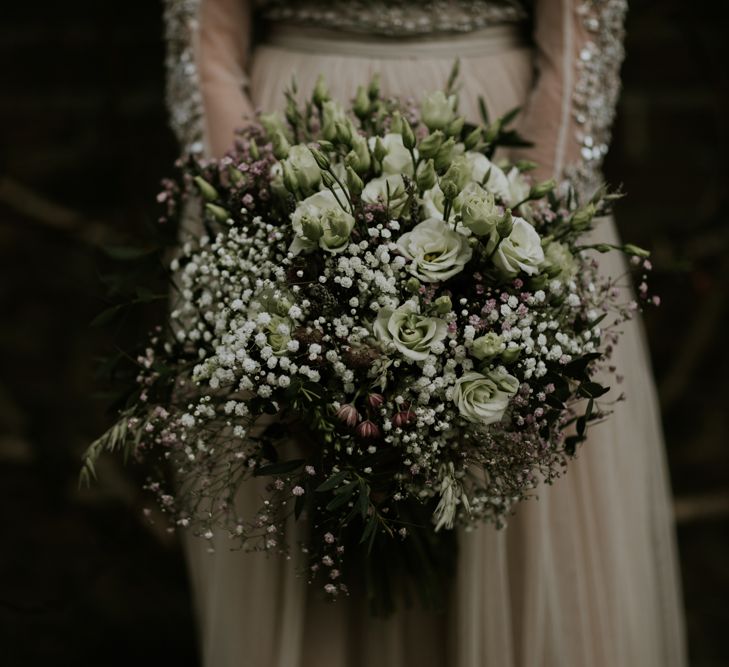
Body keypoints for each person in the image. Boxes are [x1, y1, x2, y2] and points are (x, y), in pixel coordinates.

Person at [163, 1, 687, 665]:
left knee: (511, 502)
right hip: (284, 151)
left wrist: (519, 239)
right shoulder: (264, 206)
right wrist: (257, 224)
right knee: (300, 483)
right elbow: (204, 45)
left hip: (500, 151)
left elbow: (580, 34)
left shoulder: (515, 206)